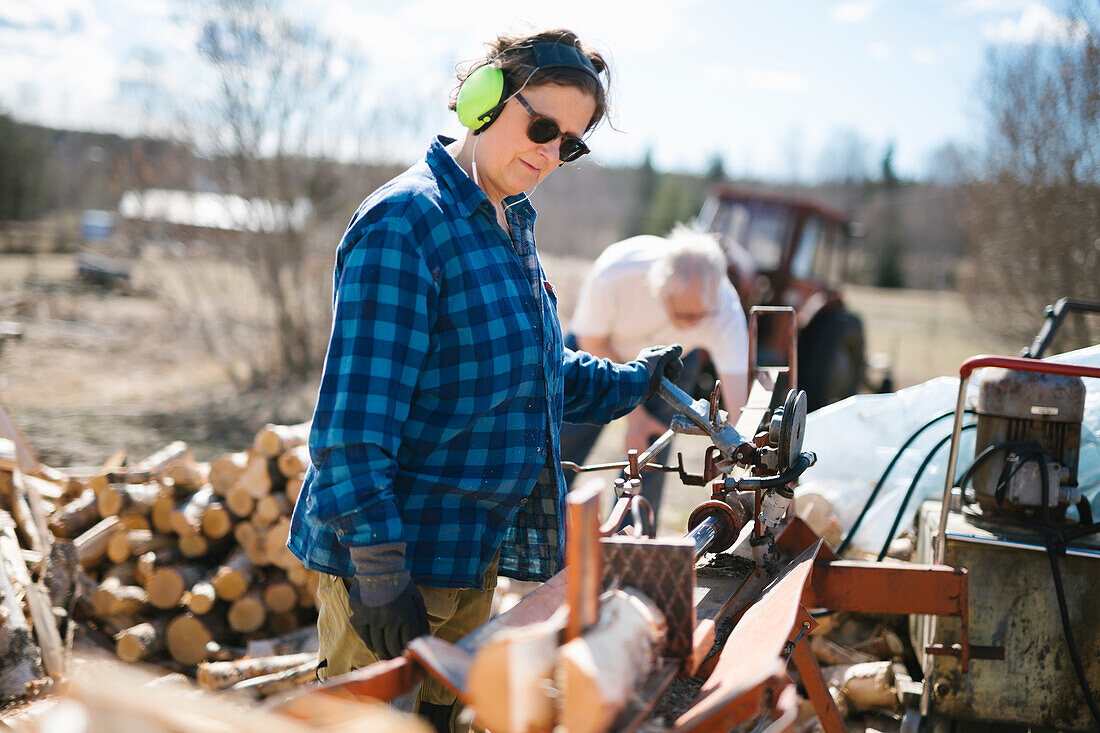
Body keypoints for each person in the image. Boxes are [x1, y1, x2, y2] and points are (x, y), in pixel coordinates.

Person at [286, 28, 683, 733]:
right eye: (540, 125)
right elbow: (349, 431)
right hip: (396, 564)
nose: (550, 152)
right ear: (483, 99)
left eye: (570, 142)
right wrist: (380, 572)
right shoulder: (406, 224)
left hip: (469, 555)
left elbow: (536, 374)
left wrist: (636, 382)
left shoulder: (511, 223)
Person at [560, 226, 750, 522]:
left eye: (700, 316)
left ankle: (630, 550)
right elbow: (591, 341)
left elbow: (739, 400)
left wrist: (744, 455)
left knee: (650, 456)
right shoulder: (618, 273)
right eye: (682, 315)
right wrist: (634, 415)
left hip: (668, 366)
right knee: (559, 445)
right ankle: (541, 536)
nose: (693, 323)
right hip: (597, 350)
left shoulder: (724, 307)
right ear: (659, 289)